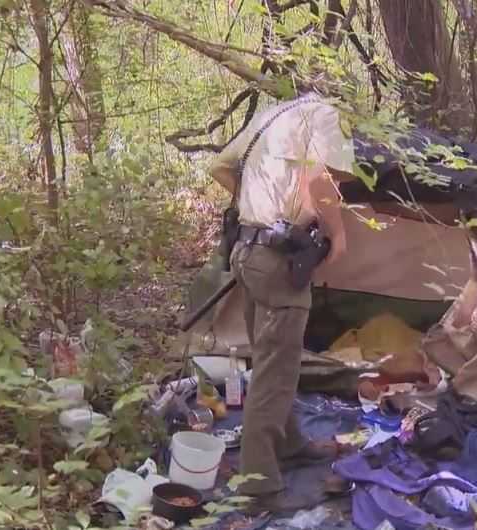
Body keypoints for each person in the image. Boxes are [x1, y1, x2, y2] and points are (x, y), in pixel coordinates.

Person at [208, 87, 354, 511]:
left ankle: (288, 446)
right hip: (276, 260)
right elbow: (320, 180)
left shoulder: (272, 117)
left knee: (275, 361)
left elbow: (219, 166)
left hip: (246, 251)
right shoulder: (322, 114)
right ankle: (258, 486)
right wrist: (337, 234)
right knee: (275, 372)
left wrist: (258, 200)